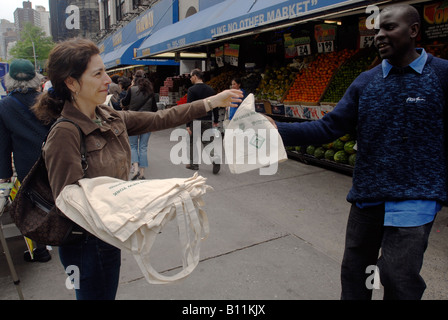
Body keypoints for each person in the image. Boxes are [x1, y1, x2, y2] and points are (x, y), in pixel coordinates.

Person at [31, 38, 242, 300]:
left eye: (105, 71)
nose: (108, 80)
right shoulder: (65, 132)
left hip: (108, 238)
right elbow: (71, 203)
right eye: (97, 74)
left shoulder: (109, 115)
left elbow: (160, 117)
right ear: (71, 83)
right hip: (85, 244)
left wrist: (211, 102)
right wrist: (144, 196)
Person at [275, 4, 448, 300]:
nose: (379, 36)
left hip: (416, 196)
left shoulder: (442, 75)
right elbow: (328, 128)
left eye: (389, 28)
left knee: (398, 275)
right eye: (377, 29)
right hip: (368, 196)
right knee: (355, 273)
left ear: (414, 31)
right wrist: (273, 130)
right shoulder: (365, 82)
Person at [0, 59, 52, 262]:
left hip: (26, 164)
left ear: (9, 80)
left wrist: (4, 174)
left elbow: (3, 144)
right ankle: (65, 234)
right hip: (53, 158)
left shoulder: (4, 106)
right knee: (59, 195)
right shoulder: (46, 100)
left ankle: (40, 249)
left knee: (34, 205)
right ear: (35, 78)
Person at [121, 70, 157, 180]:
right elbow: (154, 109)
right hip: (147, 121)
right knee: (143, 147)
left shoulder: (131, 89)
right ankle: (142, 173)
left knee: (133, 146)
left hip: (133, 121)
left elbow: (125, 102)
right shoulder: (150, 92)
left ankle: (135, 169)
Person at [186, 68, 220, 174]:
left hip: (195, 120)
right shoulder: (210, 89)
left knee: (193, 142)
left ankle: (194, 164)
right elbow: (215, 105)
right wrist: (216, 119)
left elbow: (190, 108)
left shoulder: (191, 90)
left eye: (191, 76)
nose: (190, 79)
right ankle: (215, 159)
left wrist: (187, 124)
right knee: (207, 142)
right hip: (207, 120)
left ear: (195, 76)